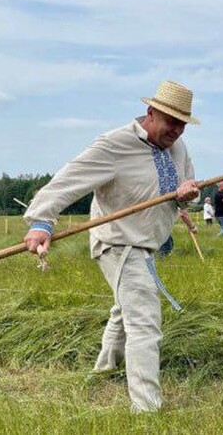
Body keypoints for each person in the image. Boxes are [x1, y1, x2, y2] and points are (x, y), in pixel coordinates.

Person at [22, 80, 200, 413]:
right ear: (151, 112)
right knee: (144, 319)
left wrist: (187, 194)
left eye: (183, 124)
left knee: (124, 308)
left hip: (146, 245)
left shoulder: (178, 149)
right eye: (171, 121)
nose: (177, 130)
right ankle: (146, 410)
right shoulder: (115, 145)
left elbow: (183, 189)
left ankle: (104, 370)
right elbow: (67, 180)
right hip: (118, 243)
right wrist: (42, 222)